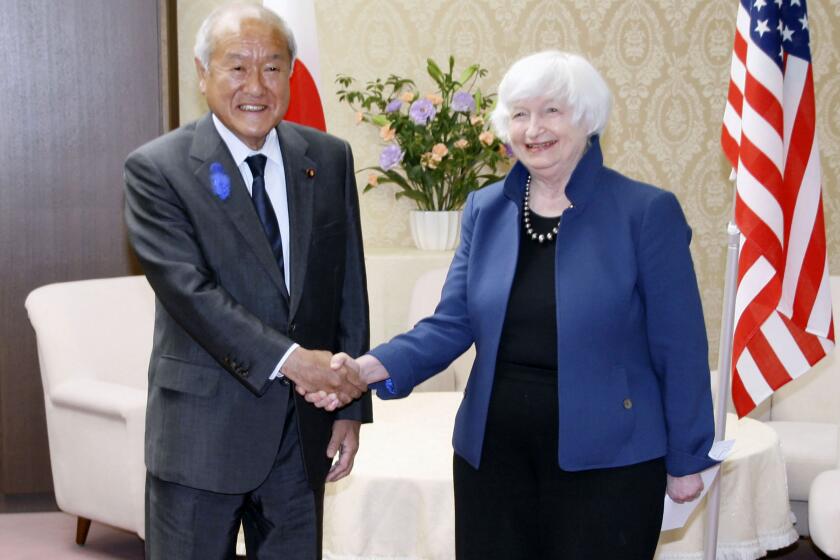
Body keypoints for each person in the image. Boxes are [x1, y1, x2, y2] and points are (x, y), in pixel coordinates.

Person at [317, 50, 718, 559]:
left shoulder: (645, 212)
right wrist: (369, 366)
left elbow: (679, 347)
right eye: (520, 114)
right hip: (493, 458)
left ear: (587, 118)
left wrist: (686, 458)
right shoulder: (486, 208)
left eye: (552, 111)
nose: (534, 129)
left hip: (611, 463)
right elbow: (452, 321)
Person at [124, 4, 370, 558]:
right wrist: (292, 360)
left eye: (273, 67)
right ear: (203, 72)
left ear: (291, 73)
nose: (257, 86)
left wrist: (350, 405)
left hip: (303, 433)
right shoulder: (157, 169)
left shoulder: (328, 159)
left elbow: (347, 287)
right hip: (200, 439)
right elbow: (191, 295)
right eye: (237, 67)